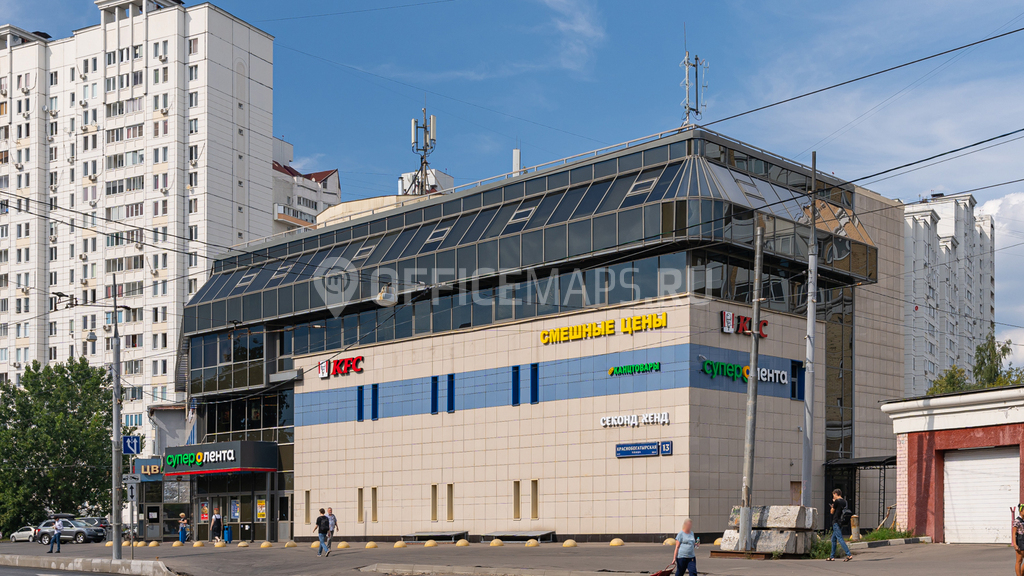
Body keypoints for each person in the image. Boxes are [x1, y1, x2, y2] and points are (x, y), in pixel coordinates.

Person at [827, 488, 852, 562]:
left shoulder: (837, 501)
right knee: (833, 539)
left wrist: (832, 505)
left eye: (833, 495)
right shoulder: (845, 501)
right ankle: (832, 556)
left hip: (836, 522)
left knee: (840, 538)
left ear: (835, 494)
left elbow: (832, 512)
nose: (833, 497)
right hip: (841, 522)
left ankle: (848, 554)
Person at [1012, 504, 1024, 576]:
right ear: (1021, 511)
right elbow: (1013, 533)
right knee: (1019, 561)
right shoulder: (1017, 521)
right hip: (1020, 541)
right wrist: (1015, 544)